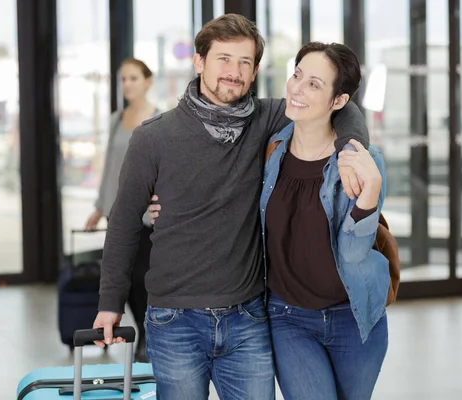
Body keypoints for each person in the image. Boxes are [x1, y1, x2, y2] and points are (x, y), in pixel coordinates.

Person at [94, 14, 369, 399]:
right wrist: (109, 303)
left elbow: (343, 107)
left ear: (255, 70)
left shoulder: (266, 119)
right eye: (223, 59)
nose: (234, 72)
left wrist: (350, 150)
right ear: (199, 61)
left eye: (245, 62)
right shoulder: (154, 138)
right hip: (174, 320)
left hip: (247, 318)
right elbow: (122, 223)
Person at [261, 42, 389, 399]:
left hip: (355, 316)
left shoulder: (363, 162)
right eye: (297, 75)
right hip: (288, 315)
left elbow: (351, 253)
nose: (297, 89)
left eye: (314, 84)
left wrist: (369, 192)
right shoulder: (270, 150)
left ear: (338, 101)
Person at [84, 58, 159, 362]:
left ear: (147, 82)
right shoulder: (117, 119)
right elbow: (110, 169)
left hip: (148, 218)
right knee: (120, 279)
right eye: (123, 79)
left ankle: (147, 333)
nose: (127, 84)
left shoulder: (159, 119)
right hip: (119, 215)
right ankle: (141, 329)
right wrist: (100, 207)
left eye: (133, 78)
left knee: (143, 277)